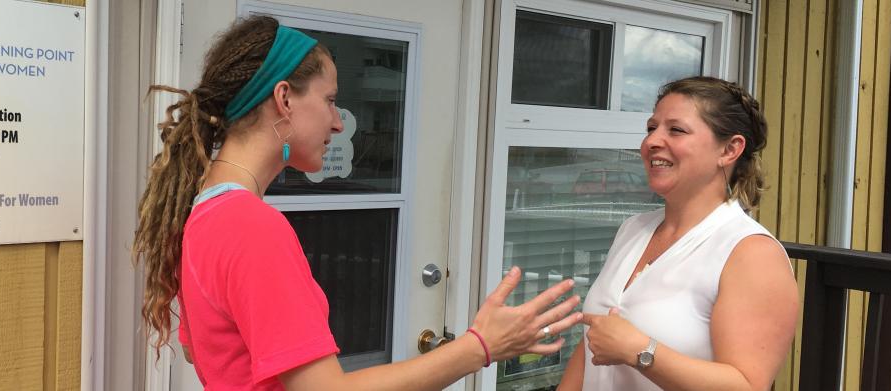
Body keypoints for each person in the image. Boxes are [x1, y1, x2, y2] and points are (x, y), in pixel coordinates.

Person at [133, 15, 582, 390]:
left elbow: (202, 351)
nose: (336, 122)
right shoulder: (251, 225)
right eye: (329, 100)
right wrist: (480, 347)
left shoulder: (204, 210)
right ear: (284, 98)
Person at [556, 76, 799, 390]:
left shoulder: (750, 253)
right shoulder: (634, 229)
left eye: (676, 130)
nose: (652, 141)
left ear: (729, 149)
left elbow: (748, 385)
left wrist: (640, 351)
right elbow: (597, 341)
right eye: (651, 128)